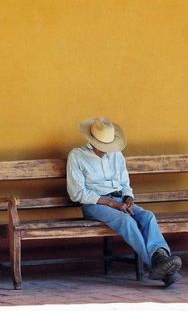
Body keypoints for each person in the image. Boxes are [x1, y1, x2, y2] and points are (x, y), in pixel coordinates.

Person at [66, 117, 182, 286]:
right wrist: (112, 204)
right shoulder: (77, 156)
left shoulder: (116, 154)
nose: (107, 149)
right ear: (93, 141)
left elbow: (124, 183)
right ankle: (157, 265)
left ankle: (161, 258)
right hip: (95, 204)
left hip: (120, 200)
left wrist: (128, 198)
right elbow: (77, 193)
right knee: (126, 221)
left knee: (148, 216)